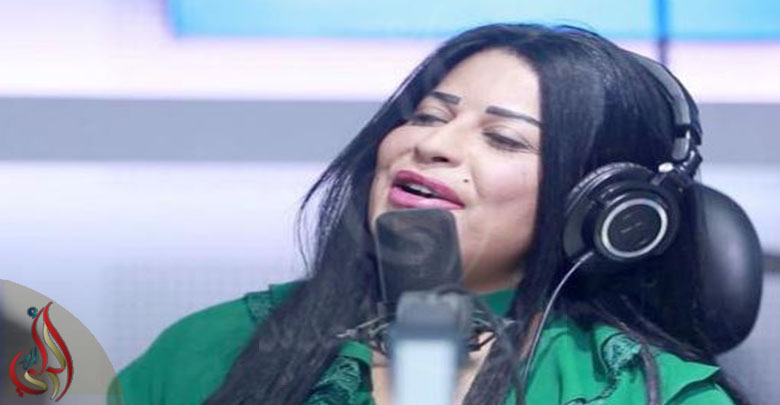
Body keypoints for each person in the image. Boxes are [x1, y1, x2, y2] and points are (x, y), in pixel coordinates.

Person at [110, 23, 748, 404]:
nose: (434, 144)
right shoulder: (207, 349)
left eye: (504, 139)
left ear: (601, 208)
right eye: (426, 116)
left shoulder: (645, 393)